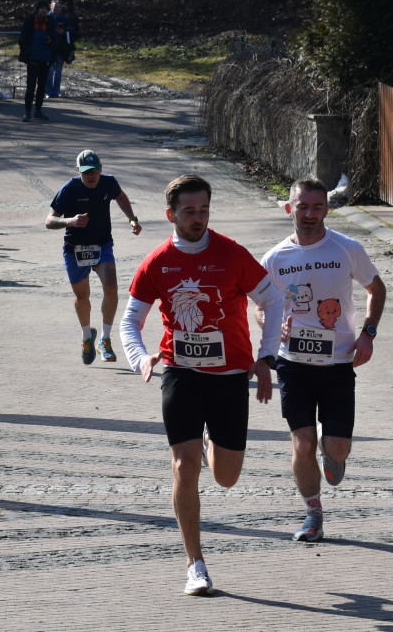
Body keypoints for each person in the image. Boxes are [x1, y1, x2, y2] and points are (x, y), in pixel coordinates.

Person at [119, 174, 282, 596]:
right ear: (170, 214)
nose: (198, 217)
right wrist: (140, 359)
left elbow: (273, 299)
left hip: (229, 377)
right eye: (189, 211)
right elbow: (130, 321)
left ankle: (212, 442)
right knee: (183, 466)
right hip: (180, 372)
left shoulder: (232, 254)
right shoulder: (157, 262)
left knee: (226, 477)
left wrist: (265, 357)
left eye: (204, 209)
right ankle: (195, 564)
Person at [259, 177, 386, 543]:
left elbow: (376, 289)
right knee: (302, 443)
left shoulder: (347, 249)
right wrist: (271, 326)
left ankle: (334, 451)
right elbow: (260, 306)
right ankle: (313, 513)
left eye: (317, 207)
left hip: (338, 364)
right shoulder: (275, 258)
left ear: (326, 209)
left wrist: (368, 333)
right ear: (289, 209)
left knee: (336, 447)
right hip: (293, 363)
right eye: (303, 207)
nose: (310, 214)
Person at [46, 149, 141, 364]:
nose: (91, 176)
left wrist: (132, 219)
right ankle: (87, 336)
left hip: (102, 245)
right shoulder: (69, 189)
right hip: (75, 248)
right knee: (83, 296)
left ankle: (105, 340)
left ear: (101, 170)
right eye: (86, 172)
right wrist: (70, 221)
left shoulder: (109, 183)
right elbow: (49, 221)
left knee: (111, 287)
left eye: (95, 171)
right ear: (78, 170)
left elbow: (121, 197)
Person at [18, 0, 54, 121]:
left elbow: (54, 37)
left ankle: (38, 110)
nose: (44, 11)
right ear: (37, 9)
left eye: (46, 9)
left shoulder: (50, 21)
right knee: (31, 86)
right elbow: (22, 37)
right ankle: (27, 112)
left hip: (45, 57)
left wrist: (50, 41)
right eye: (42, 8)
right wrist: (26, 51)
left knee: (42, 86)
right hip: (33, 58)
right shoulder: (29, 20)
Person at [45, 0, 71, 98]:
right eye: (55, 7)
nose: (57, 9)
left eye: (59, 7)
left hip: (60, 48)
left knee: (58, 71)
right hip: (49, 48)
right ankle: (48, 91)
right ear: (51, 7)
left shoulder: (64, 19)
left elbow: (70, 32)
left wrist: (63, 32)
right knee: (49, 70)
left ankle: (56, 92)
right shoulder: (47, 18)